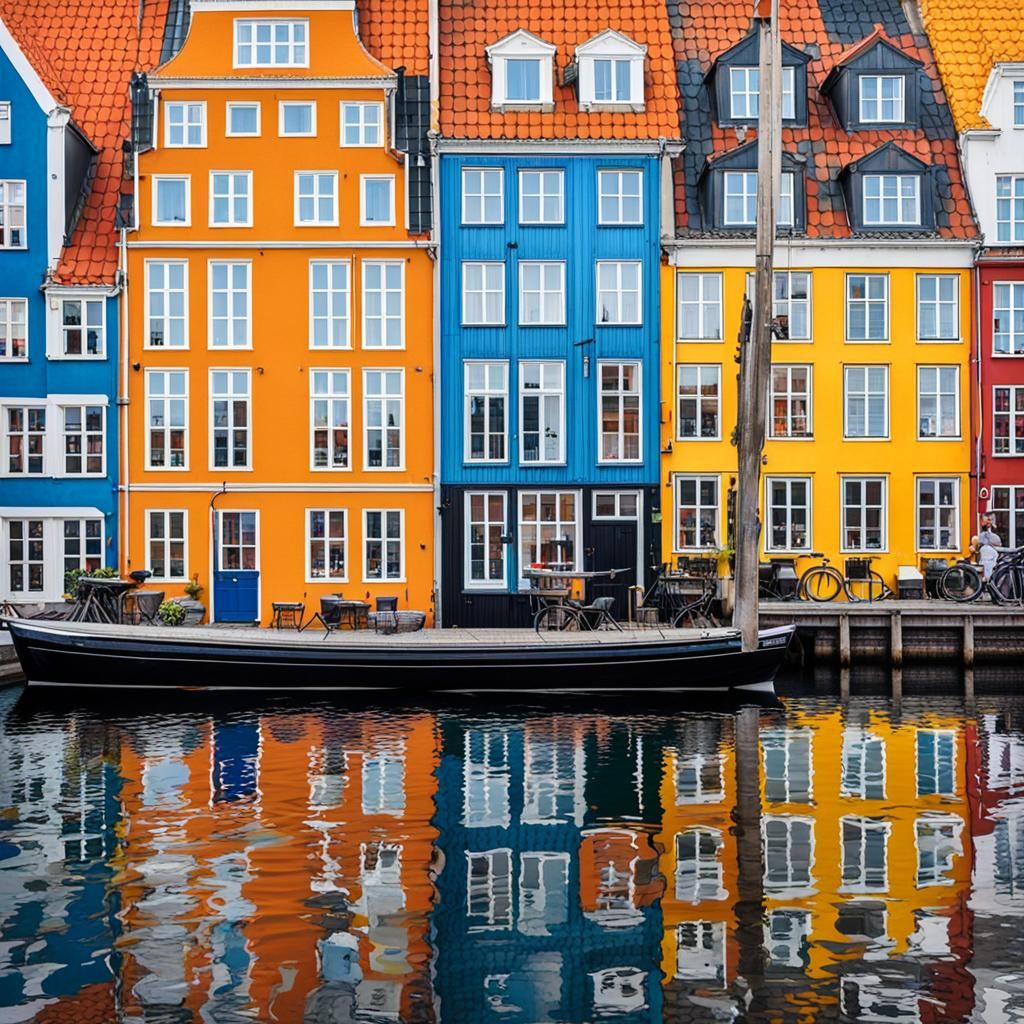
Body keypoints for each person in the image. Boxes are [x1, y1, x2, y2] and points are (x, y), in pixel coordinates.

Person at [978, 514, 1002, 580]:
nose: (989, 522)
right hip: (988, 550)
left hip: (991, 550)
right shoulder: (983, 534)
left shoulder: (994, 531)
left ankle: (988, 577)